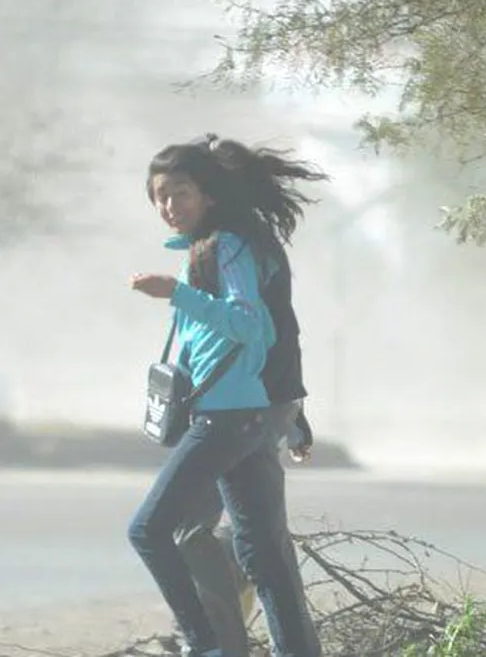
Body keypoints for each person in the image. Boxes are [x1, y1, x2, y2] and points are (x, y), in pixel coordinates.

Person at [128, 134, 328, 657]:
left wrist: (177, 293)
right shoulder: (235, 245)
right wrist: (294, 415)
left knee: (150, 530)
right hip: (252, 413)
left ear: (208, 195)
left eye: (181, 192)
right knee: (265, 557)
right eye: (160, 196)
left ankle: (210, 645)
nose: (170, 206)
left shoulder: (229, 248)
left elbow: (251, 326)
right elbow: (284, 333)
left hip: (229, 416)